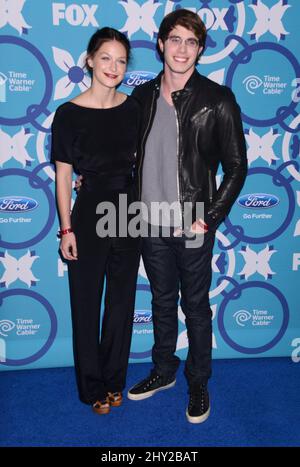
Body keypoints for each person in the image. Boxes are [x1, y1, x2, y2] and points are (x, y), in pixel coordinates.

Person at [126, 9, 248, 423]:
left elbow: (237, 167)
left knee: (195, 307)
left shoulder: (218, 100)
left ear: (200, 49)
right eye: (174, 39)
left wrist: (208, 218)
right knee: (162, 301)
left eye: (191, 41)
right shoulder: (140, 96)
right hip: (148, 221)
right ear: (160, 44)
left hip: (194, 222)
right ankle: (164, 371)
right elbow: (125, 153)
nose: (182, 49)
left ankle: (198, 381)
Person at [51, 27, 141, 415]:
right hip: (88, 216)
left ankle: (114, 380)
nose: (113, 67)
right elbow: (64, 177)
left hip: (129, 213)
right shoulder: (68, 114)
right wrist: (66, 228)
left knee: (121, 303)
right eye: (106, 57)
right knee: (86, 304)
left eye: (121, 60)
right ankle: (92, 388)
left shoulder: (134, 108)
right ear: (89, 60)